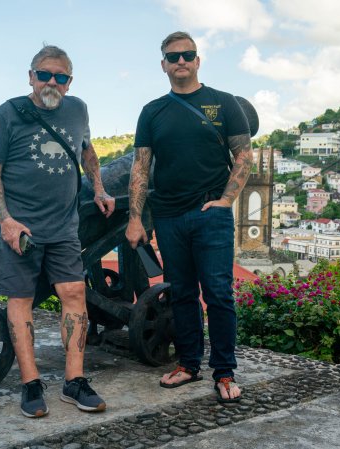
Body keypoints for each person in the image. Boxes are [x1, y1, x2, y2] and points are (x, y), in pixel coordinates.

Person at [0, 45, 115, 418]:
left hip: (63, 225)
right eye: (44, 74)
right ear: (30, 76)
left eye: (60, 76)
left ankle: (74, 381)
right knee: (20, 300)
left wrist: (99, 187)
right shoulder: (8, 113)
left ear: (69, 81)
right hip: (19, 227)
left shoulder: (78, 109)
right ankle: (30, 383)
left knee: (74, 293)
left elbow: (87, 151)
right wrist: (5, 220)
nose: (51, 82)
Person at [125, 31, 253, 403]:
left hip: (209, 212)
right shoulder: (152, 112)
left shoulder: (224, 103)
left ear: (198, 61)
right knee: (181, 294)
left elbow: (244, 156)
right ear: (163, 64)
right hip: (168, 215)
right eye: (173, 56)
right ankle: (189, 364)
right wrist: (136, 218)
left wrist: (226, 200)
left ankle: (225, 372)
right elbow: (140, 167)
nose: (181, 61)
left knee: (217, 294)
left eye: (188, 55)